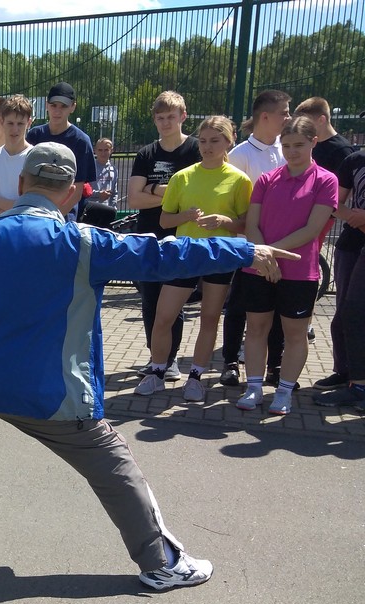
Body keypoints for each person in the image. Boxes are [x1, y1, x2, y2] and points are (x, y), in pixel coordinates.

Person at [0, 142, 298, 591]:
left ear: (22, 183)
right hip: (52, 393)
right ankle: (161, 564)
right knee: (114, 468)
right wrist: (244, 250)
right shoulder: (84, 242)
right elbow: (163, 254)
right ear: (72, 193)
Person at [136, 116, 252, 402]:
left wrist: (225, 220)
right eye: (203, 141)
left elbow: (245, 223)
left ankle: (196, 377)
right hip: (185, 253)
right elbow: (164, 220)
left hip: (220, 256)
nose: (207, 147)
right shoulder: (182, 177)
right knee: (163, 316)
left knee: (209, 318)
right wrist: (185, 216)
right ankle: (157, 372)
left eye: (215, 141)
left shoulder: (239, 180)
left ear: (229, 142)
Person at [236, 117, 338, 415]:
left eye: (299, 145)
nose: (292, 152)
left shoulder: (326, 180)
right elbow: (252, 225)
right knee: (256, 328)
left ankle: (284, 391)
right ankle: (254, 387)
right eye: (287, 145)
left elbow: (312, 229)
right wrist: (264, 258)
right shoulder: (266, 180)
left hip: (299, 271)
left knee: (295, 333)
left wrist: (271, 253)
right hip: (259, 267)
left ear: (313, 142)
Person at [128, 90, 201, 381]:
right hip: (148, 236)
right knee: (150, 299)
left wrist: (152, 189)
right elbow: (134, 198)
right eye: (160, 118)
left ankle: (171, 359)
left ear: (183, 116)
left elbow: (192, 198)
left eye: (171, 117)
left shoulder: (195, 150)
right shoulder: (146, 154)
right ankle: (155, 356)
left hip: (181, 235)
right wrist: (169, 192)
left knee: (173, 301)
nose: (165, 123)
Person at [220, 90, 291, 387]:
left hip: (283, 244)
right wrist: (251, 241)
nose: (288, 117)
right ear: (265, 116)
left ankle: (275, 365)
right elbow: (235, 206)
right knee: (238, 305)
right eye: (284, 112)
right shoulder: (240, 155)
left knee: (277, 308)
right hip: (247, 245)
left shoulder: (287, 149)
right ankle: (230, 362)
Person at [312, 145, 365, 410]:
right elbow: (336, 203)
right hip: (353, 243)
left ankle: (359, 385)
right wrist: (355, 217)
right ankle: (350, 376)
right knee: (348, 312)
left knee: (355, 311)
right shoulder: (354, 160)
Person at [26, 82, 96, 219]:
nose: (57, 111)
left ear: (73, 107)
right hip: (34, 211)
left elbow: (76, 192)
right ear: (46, 105)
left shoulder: (81, 141)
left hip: (63, 216)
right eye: (53, 105)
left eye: (63, 106)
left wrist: (52, 218)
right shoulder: (34, 135)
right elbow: (26, 179)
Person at [295, 97, 355, 174]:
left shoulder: (342, 150)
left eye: (306, 122)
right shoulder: (309, 144)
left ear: (321, 120)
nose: (301, 126)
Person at [81, 137, 117, 227]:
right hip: (90, 210)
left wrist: (113, 208)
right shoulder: (89, 167)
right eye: (100, 150)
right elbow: (83, 190)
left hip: (106, 212)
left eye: (106, 150)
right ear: (95, 151)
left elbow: (114, 192)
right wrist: (98, 194)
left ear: (111, 151)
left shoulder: (113, 169)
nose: (103, 153)